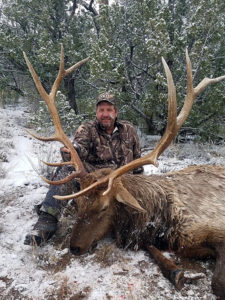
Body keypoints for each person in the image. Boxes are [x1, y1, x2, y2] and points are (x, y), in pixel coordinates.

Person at [24, 92, 143, 246]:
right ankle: (47, 220)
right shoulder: (87, 129)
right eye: (101, 110)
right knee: (68, 169)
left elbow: (138, 161)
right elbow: (80, 147)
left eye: (109, 109)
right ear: (96, 112)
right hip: (94, 181)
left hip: (122, 183)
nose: (105, 114)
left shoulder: (129, 130)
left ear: (116, 112)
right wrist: (73, 151)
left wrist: (140, 184)